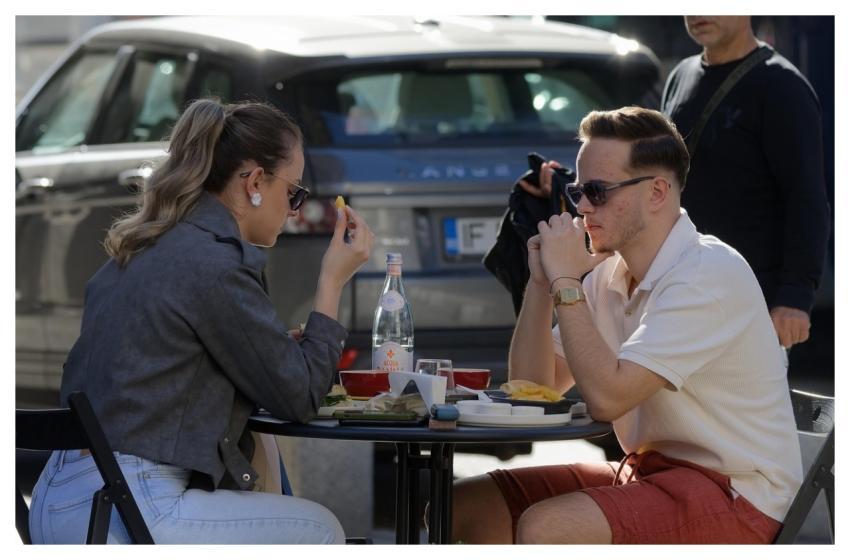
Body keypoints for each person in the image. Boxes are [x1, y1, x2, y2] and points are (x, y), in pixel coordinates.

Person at [28, 99, 375, 544]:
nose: (293, 210)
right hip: (123, 505)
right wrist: (331, 281)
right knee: (320, 530)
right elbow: (300, 397)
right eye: (294, 193)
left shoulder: (149, 246)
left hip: (63, 497)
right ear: (253, 182)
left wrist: (271, 348)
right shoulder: (214, 263)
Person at [450, 106, 802, 544]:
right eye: (577, 190)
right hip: (649, 473)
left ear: (657, 192)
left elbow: (607, 400)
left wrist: (565, 281)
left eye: (597, 191)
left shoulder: (707, 273)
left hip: (736, 493)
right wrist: (541, 283)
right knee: (464, 506)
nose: (580, 206)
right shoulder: (607, 273)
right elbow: (530, 390)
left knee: (548, 527)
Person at [661, 16, 830, 351]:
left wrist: (796, 295)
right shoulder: (680, 74)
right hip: (681, 285)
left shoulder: (782, 85)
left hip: (753, 296)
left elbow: (807, 197)